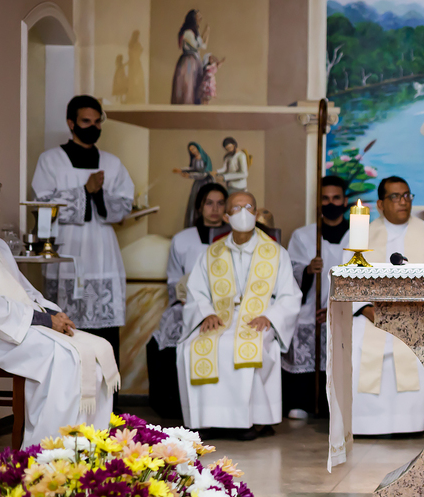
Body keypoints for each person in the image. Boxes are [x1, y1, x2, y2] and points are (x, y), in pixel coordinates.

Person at [0, 170, 118, 447]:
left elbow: (24, 290)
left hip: (16, 323)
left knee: (95, 350)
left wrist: (52, 314)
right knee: (62, 357)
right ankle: (46, 451)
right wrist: (45, 322)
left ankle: (89, 447)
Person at [177, 191, 301, 440]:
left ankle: (251, 420)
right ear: (225, 216)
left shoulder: (276, 253)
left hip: (259, 318)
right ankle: (206, 421)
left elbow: (290, 295)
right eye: (235, 208)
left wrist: (271, 317)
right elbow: (196, 291)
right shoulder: (212, 253)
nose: (243, 213)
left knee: (243, 344)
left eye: (249, 207)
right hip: (220, 318)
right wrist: (206, 314)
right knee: (196, 345)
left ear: (256, 213)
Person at [32, 95, 134, 366]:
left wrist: (98, 195)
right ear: (71, 123)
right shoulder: (51, 160)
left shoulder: (111, 163)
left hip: (103, 252)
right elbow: (42, 205)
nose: (93, 126)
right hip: (66, 249)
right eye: (86, 121)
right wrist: (83, 192)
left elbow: (124, 206)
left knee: (105, 332)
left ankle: (109, 403)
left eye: (97, 121)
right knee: (67, 330)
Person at [346, 176, 424, 434]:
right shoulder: (360, 235)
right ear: (380, 204)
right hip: (370, 316)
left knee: (420, 345)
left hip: (413, 317)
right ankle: (365, 425)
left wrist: (410, 311)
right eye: (395, 197)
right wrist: (366, 309)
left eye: (407, 195)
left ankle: (410, 424)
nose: (403, 202)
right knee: (356, 344)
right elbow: (345, 279)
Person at [147, 183, 229, 419]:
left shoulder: (233, 239)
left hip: (225, 307)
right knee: (168, 338)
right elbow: (174, 278)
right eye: (209, 203)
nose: (214, 209)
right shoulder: (182, 239)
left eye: (220, 203)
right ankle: (177, 406)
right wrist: (185, 300)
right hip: (188, 305)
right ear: (199, 206)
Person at [282, 175, 351, 420]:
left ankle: (338, 405)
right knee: (302, 329)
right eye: (325, 198)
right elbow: (288, 274)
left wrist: (336, 309)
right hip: (310, 306)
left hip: (345, 308)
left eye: (336, 198)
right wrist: (308, 270)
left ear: (345, 201)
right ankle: (303, 401)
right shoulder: (304, 236)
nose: (330, 203)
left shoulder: (358, 236)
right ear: (318, 202)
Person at [173, 142, 214, 227]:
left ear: (198, 148)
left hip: (206, 183)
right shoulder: (195, 159)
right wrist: (181, 170)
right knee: (194, 203)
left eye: (194, 149)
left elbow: (204, 174)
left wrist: (190, 175)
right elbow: (193, 168)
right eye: (191, 150)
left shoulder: (205, 158)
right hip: (198, 183)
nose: (192, 151)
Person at [171, 10, 207, 105]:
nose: (200, 19)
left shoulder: (195, 33)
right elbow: (197, 45)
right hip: (188, 62)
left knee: (195, 86)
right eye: (198, 17)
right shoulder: (188, 33)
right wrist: (204, 35)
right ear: (192, 19)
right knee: (188, 87)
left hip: (195, 62)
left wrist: (206, 32)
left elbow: (203, 46)